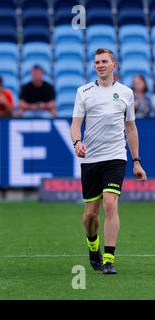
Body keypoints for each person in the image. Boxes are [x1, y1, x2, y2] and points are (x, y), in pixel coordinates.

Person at [70, 48, 147, 275]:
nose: (100, 65)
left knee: (111, 204)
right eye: (97, 62)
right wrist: (77, 143)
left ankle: (109, 258)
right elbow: (75, 125)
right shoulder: (84, 91)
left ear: (114, 65)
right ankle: (93, 245)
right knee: (90, 215)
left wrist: (136, 161)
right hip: (91, 158)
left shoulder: (126, 92)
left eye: (104, 61)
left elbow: (131, 128)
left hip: (116, 156)